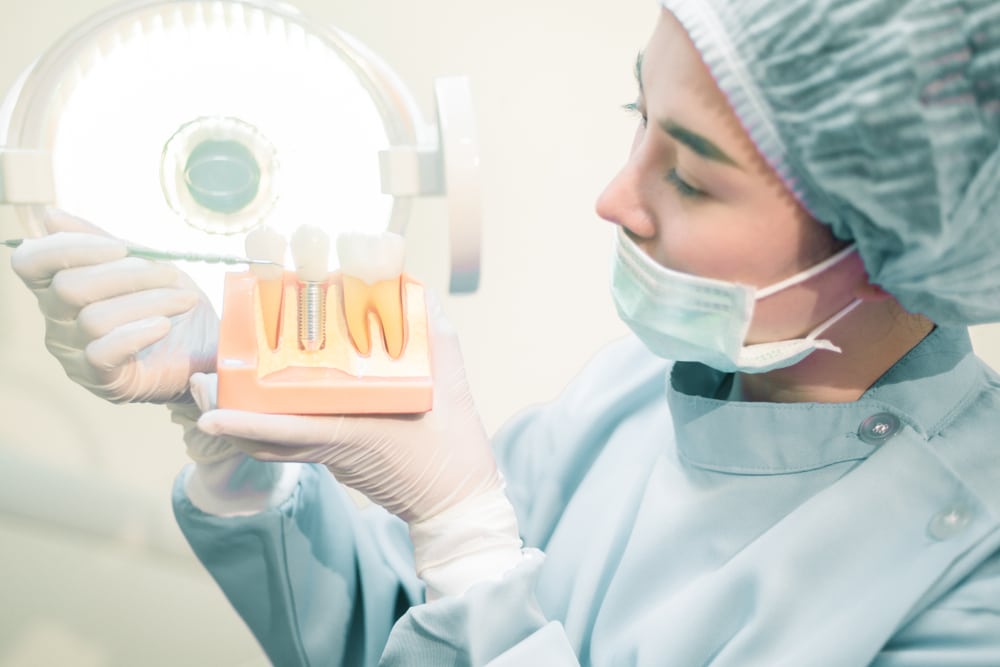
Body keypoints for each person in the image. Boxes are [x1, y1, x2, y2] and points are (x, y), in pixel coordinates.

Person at [10, 0, 1000, 664]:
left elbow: (467, 574)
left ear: (895, 238)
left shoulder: (971, 583)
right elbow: (395, 636)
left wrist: (471, 537)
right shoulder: (635, 394)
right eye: (636, 116)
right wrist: (229, 418)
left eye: (690, 174)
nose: (613, 198)